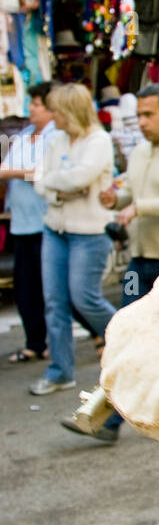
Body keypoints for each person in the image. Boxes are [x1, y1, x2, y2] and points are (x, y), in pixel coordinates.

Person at [62, 83, 159, 443]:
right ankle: (106, 416)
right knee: (125, 334)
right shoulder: (141, 152)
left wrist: (139, 206)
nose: (141, 122)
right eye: (139, 115)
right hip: (137, 264)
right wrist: (116, 198)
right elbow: (133, 193)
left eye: (148, 114)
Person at [29, 83, 116, 396]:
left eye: (56, 110)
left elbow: (79, 178)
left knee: (84, 298)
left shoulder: (99, 140)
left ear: (70, 111)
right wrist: (60, 187)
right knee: (55, 303)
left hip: (89, 234)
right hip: (55, 229)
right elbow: (39, 181)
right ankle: (60, 372)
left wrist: (55, 185)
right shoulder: (56, 139)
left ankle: (129, 335)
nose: (53, 116)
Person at [0, 82, 55, 362]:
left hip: (46, 222)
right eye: (31, 103)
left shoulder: (57, 137)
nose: (31, 108)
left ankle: (96, 334)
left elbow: (46, 173)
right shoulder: (22, 136)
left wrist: (13, 172)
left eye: (37, 104)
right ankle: (34, 343)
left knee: (53, 287)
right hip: (21, 222)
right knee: (25, 288)